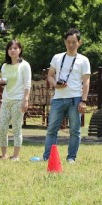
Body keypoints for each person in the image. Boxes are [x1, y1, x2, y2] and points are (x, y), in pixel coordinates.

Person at [42, 28, 91, 163]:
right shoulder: (57, 57)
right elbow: (50, 75)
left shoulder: (83, 60)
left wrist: (83, 101)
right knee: (52, 129)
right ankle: (47, 157)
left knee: (74, 130)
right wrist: (55, 84)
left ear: (79, 43)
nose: (71, 45)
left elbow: (86, 82)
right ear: (65, 42)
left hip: (75, 98)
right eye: (68, 42)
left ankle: (71, 158)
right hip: (58, 98)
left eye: (74, 42)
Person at [0, 40, 32, 161]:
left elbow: (27, 84)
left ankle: (16, 155)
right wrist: (1, 82)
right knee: (2, 128)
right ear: (7, 51)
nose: (13, 50)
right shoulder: (4, 66)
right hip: (6, 100)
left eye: (15, 48)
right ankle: (4, 154)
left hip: (18, 100)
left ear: (20, 50)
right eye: (10, 48)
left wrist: (25, 100)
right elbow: (6, 82)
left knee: (17, 128)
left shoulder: (25, 65)